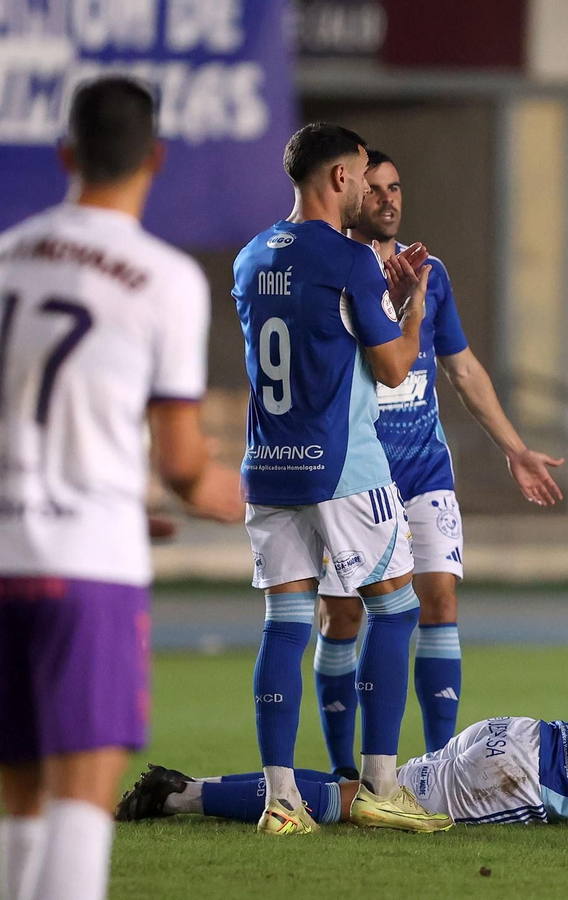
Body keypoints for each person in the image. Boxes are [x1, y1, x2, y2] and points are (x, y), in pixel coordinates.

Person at [0, 75, 244, 900]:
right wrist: (212, 490)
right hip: (89, 561)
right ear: (155, 157)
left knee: (21, 797)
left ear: (64, 154)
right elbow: (184, 460)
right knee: (84, 794)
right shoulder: (162, 279)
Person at [311, 149, 567, 777]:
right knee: (342, 613)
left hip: (425, 469)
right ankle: (350, 773)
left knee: (440, 601)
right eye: (375, 190)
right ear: (349, 196)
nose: (389, 200)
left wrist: (515, 447)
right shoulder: (333, 276)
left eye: (396, 188)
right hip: (356, 472)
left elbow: (463, 368)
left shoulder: (434, 274)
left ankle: (439, 765)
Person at [232, 123, 449, 835]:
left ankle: (281, 802)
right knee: (396, 608)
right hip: (345, 467)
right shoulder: (350, 259)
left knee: (287, 624)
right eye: (360, 175)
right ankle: (382, 784)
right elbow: (393, 370)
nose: (365, 187)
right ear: (335, 180)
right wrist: (410, 301)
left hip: (269, 465)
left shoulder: (249, 257)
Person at [115, 709, 568, 830]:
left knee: (367, 795)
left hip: (516, 734)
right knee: (359, 806)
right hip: (516, 779)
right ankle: (184, 796)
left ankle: (189, 793)